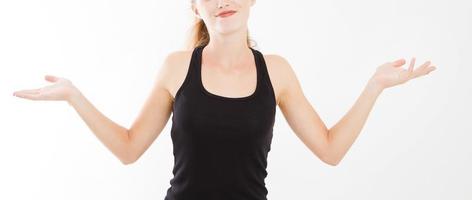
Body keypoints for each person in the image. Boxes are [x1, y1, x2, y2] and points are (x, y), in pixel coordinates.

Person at [13, 0, 437, 199]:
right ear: (196, 7)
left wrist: (374, 87)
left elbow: (329, 149)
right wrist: (74, 97)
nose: (222, 0)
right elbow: (128, 148)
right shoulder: (176, 67)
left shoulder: (277, 71)